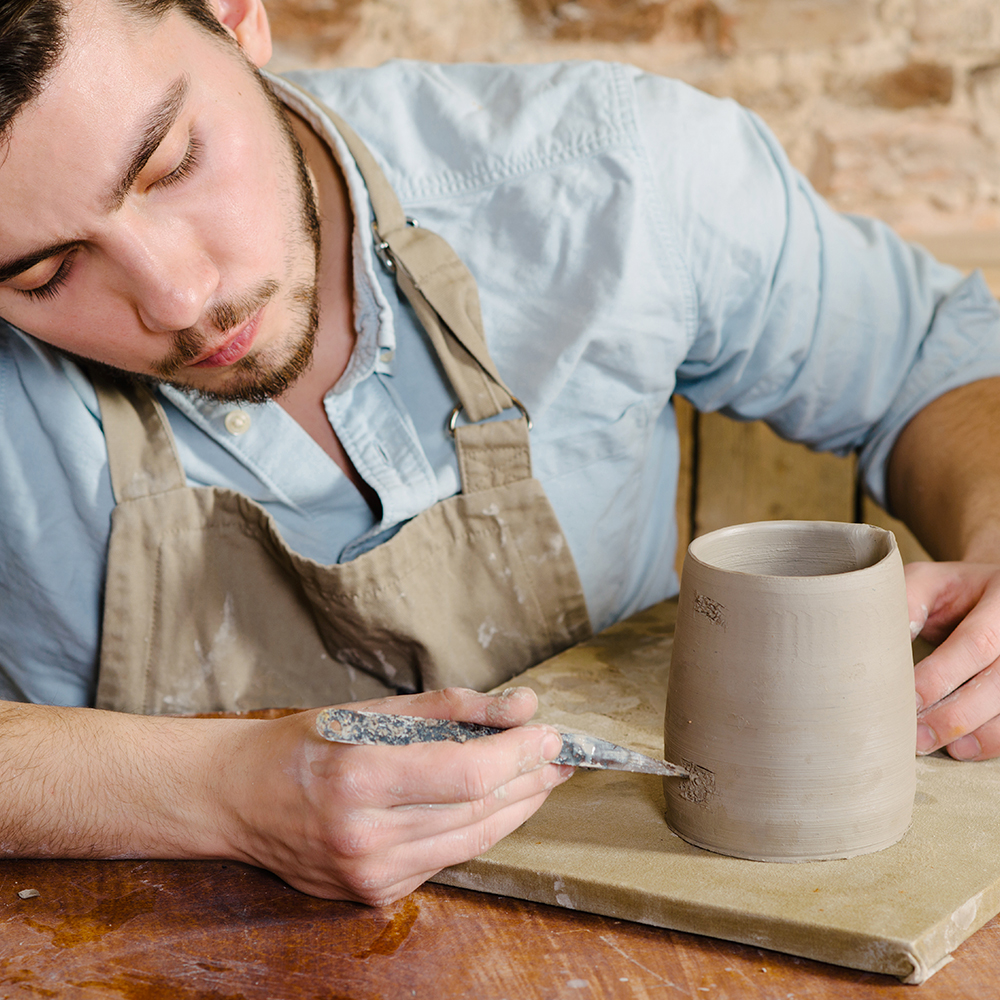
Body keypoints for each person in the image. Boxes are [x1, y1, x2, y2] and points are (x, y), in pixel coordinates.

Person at [2, 0, 1000, 904]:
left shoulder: (612, 171)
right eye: (44, 270)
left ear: (237, 18)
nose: (177, 298)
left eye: (174, 163)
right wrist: (214, 792)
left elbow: (929, 360)